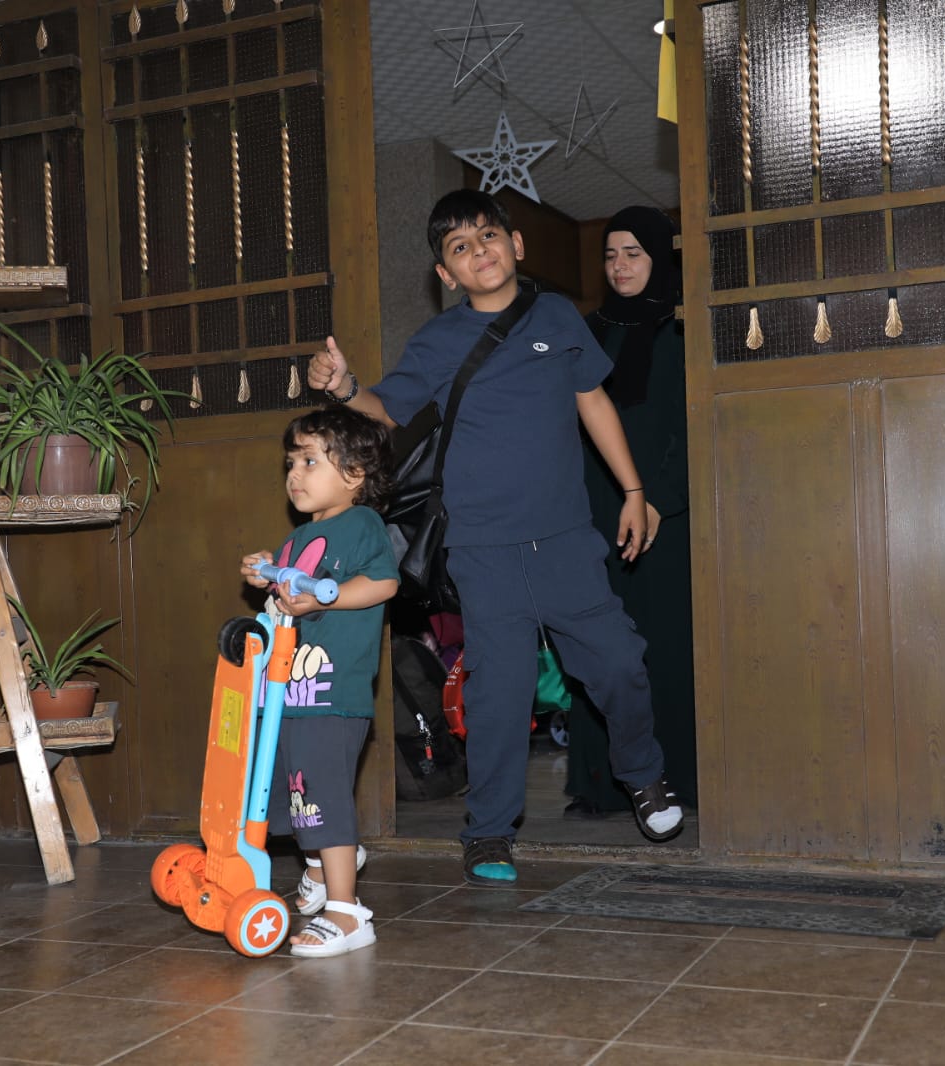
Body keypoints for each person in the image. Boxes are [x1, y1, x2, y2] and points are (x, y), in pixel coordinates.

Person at [308, 188, 685, 888]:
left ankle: (642, 773)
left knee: (618, 664)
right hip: (481, 550)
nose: (478, 250)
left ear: (516, 245)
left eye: (487, 235)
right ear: (445, 275)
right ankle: (487, 830)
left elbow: (592, 400)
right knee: (497, 696)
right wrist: (345, 385)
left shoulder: (556, 316)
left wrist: (634, 491)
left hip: (566, 540)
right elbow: (388, 411)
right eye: (459, 246)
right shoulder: (438, 341)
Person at [240, 406, 399, 957]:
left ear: (354, 474)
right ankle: (320, 865)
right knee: (292, 794)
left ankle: (348, 913)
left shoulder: (362, 525)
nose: (295, 474)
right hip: (287, 694)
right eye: (291, 462)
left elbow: (383, 584)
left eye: (310, 461)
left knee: (322, 796)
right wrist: (269, 573)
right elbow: (289, 600)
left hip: (332, 695)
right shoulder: (298, 539)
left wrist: (322, 599)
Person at [565, 206, 698, 819]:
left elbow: (690, 424)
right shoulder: (585, 333)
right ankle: (603, 784)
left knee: (665, 646)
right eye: (611, 255)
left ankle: (676, 778)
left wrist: (660, 500)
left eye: (634, 254)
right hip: (593, 514)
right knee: (598, 650)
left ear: (660, 258)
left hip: (666, 517)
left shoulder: (684, 329)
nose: (620, 266)